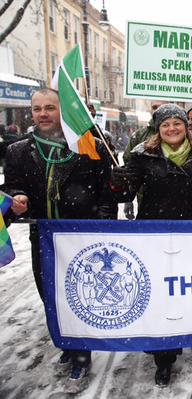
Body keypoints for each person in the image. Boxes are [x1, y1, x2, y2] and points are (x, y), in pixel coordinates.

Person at [1, 88, 117, 381]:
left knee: (77, 296)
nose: (43, 114)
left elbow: (106, 194)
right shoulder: (18, 150)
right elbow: (13, 186)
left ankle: (81, 353)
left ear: (61, 110)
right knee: (49, 295)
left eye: (49, 108)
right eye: (37, 108)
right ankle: (68, 340)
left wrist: (101, 228)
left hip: (81, 237)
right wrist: (17, 197)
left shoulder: (89, 146)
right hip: (42, 237)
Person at [110, 104, 192, 386]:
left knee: (180, 292)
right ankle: (163, 357)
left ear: (186, 127)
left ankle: (178, 336)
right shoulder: (144, 156)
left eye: (176, 124)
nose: (171, 129)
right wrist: (118, 183)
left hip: (188, 235)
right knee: (159, 295)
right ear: (158, 129)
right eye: (165, 125)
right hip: (153, 235)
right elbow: (125, 193)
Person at [122, 100, 166, 219]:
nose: (157, 110)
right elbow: (128, 164)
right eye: (154, 107)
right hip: (145, 198)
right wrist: (128, 199)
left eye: (161, 106)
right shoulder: (139, 136)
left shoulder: (179, 134)